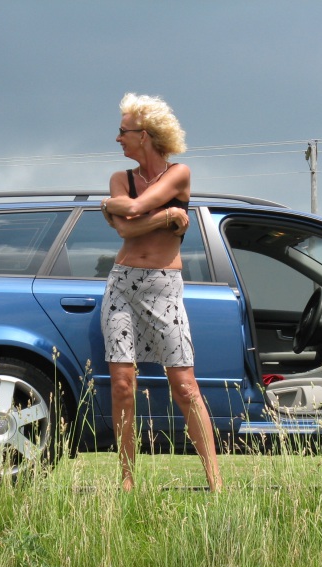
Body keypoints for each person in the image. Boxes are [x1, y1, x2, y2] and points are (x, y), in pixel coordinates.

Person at [99, 93, 223, 493]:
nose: (118, 137)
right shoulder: (121, 178)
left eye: (124, 130)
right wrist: (167, 216)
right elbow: (125, 227)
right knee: (122, 384)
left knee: (184, 385)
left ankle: (216, 482)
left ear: (146, 134)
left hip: (164, 286)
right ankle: (127, 480)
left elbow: (131, 213)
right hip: (122, 284)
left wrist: (118, 209)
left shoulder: (179, 173)